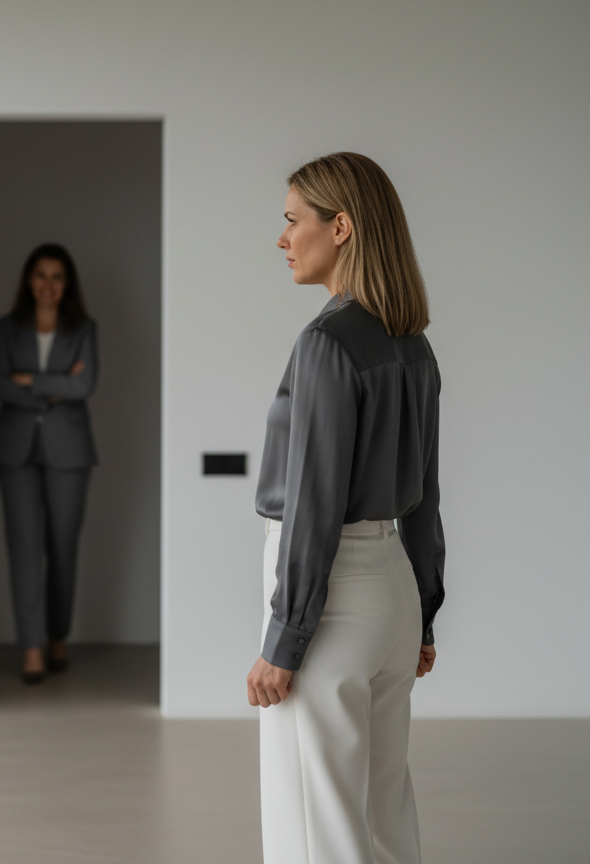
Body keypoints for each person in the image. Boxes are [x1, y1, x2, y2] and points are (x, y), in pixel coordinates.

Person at [248, 152, 445, 864]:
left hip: (331, 598)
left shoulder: (327, 343)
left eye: (291, 220)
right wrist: (424, 610)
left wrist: (285, 638)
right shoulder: (413, 345)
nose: (282, 238)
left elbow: (314, 503)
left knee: (318, 827)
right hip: (391, 589)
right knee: (383, 813)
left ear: (341, 227)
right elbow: (425, 498)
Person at [0, 243, 98, 684]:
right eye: (40, 275)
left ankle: (57, 637)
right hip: (15, 449)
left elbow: (86, 384)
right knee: (24, 549)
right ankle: (32, 646)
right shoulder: (7, 327)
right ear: (28, 281)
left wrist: (28, 379)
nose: (47, 285)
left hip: (70, 451)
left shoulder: (83, 328)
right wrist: (56, 385)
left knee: (63, 548)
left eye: (56, 276)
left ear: (66, 283)